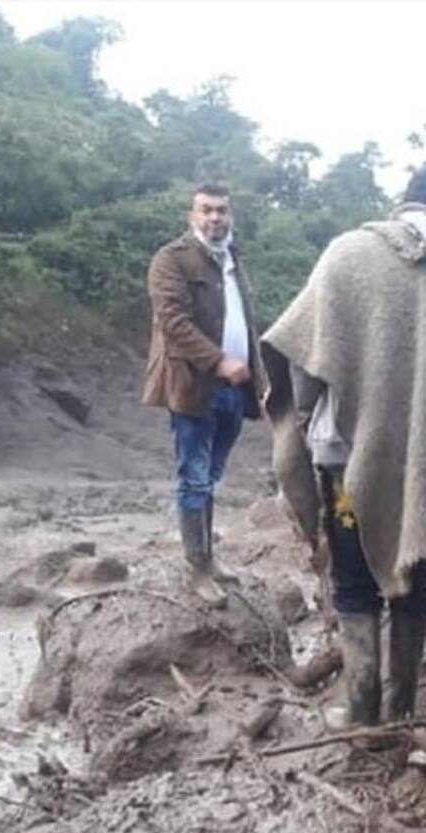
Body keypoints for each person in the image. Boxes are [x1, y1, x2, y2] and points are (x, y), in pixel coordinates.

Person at [262, 161, 426, 732]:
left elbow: (302, 354)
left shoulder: (349, 254)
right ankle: (402, 707)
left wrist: (303, 420)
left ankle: (361, 709)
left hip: (349, 454)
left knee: (356, 581)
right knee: (415, 581)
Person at [140, 183, 262, 588]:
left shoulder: (234, 260)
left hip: (234, 387)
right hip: (193, 385)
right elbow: (173, 323)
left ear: (231, 215)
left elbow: (246, 322)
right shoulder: (170, 260)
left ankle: (208, 558)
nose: (215, 218)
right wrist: (219, 360)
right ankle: (197, 568)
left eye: (222, 210)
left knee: (210, 476)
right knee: (193, 476)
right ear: (191, 216)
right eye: (206, 210)